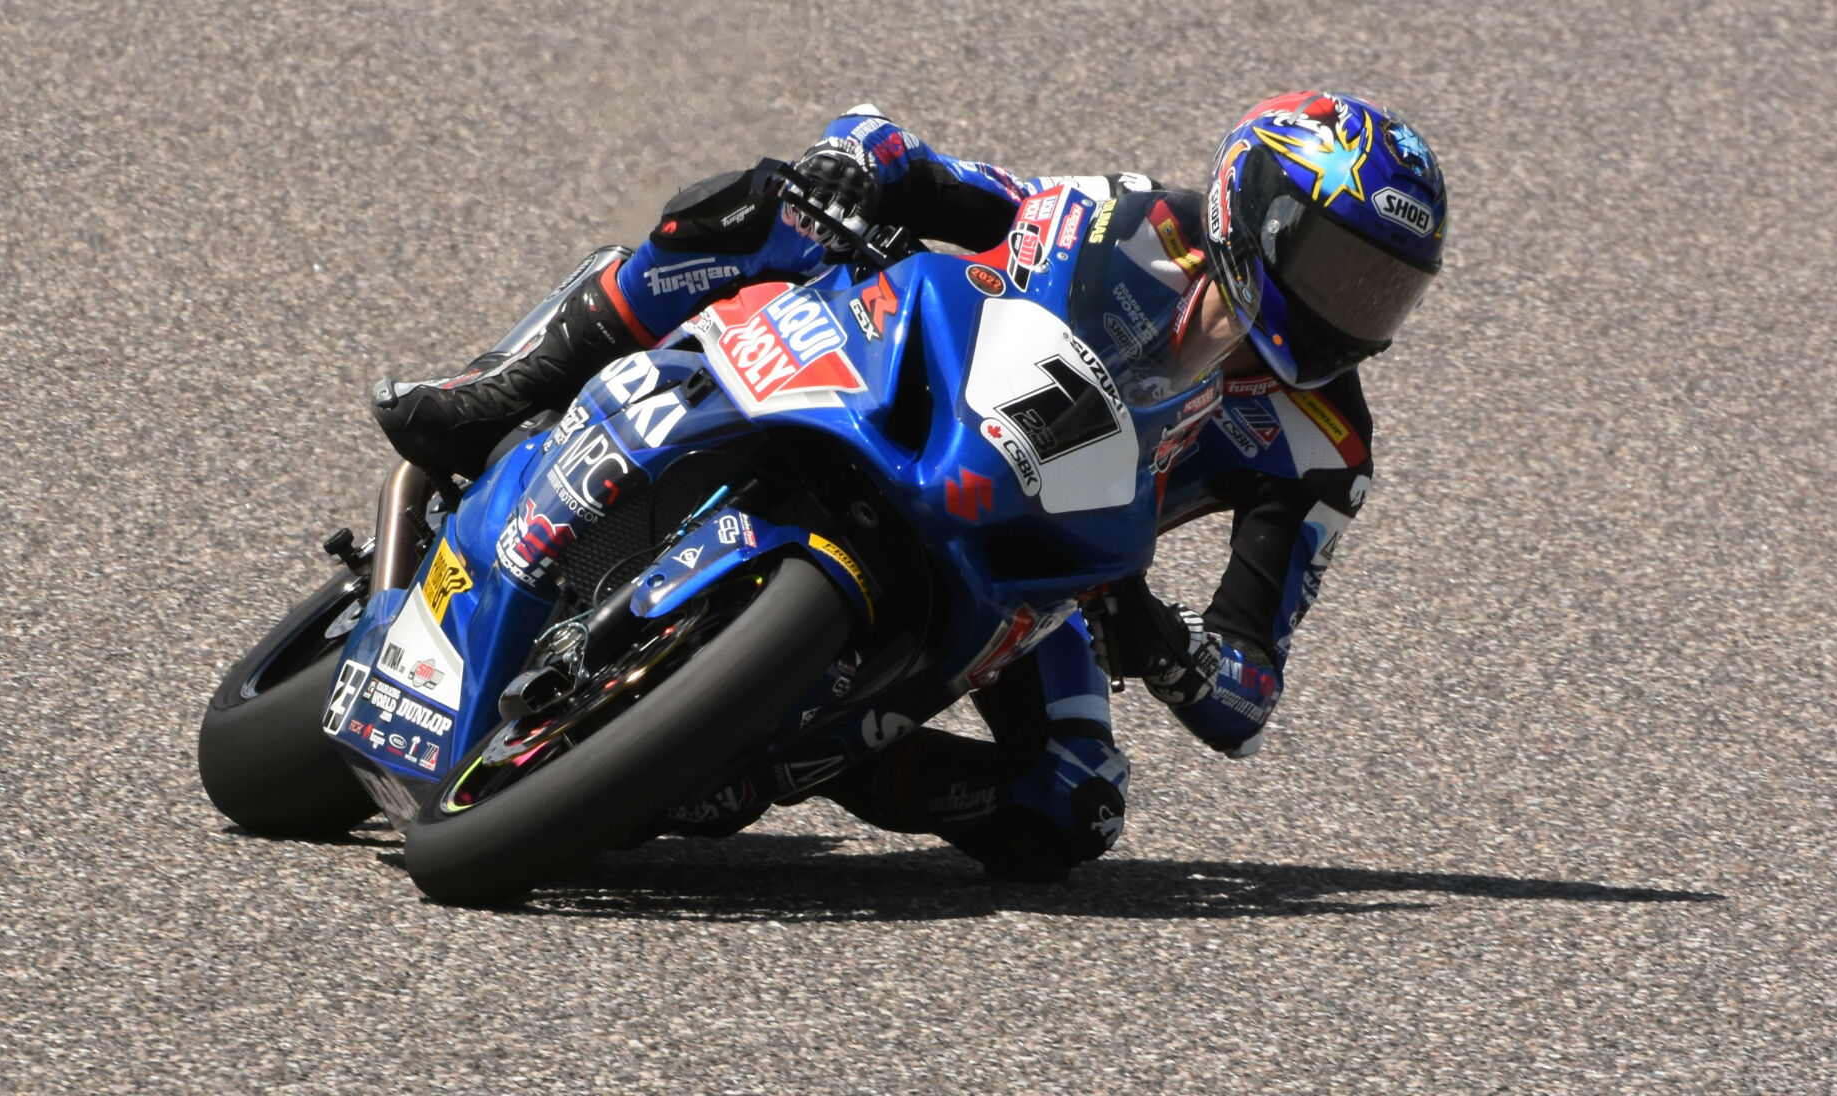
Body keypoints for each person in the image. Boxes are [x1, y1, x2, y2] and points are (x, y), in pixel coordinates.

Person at [372, 92, 1448, 880]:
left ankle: (802, 750)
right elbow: (920, 163)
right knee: (770, 210)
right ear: (1257, 215)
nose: (1352, 311)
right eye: (1340, 268)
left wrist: (1167, 647)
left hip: (1053, 568)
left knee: (1071, 806)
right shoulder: (1116, 218)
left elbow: (1248, 695)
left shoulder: (1321, 443)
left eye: (1383, 291)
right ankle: (494, 387)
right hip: (925, 409)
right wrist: (855, 163)